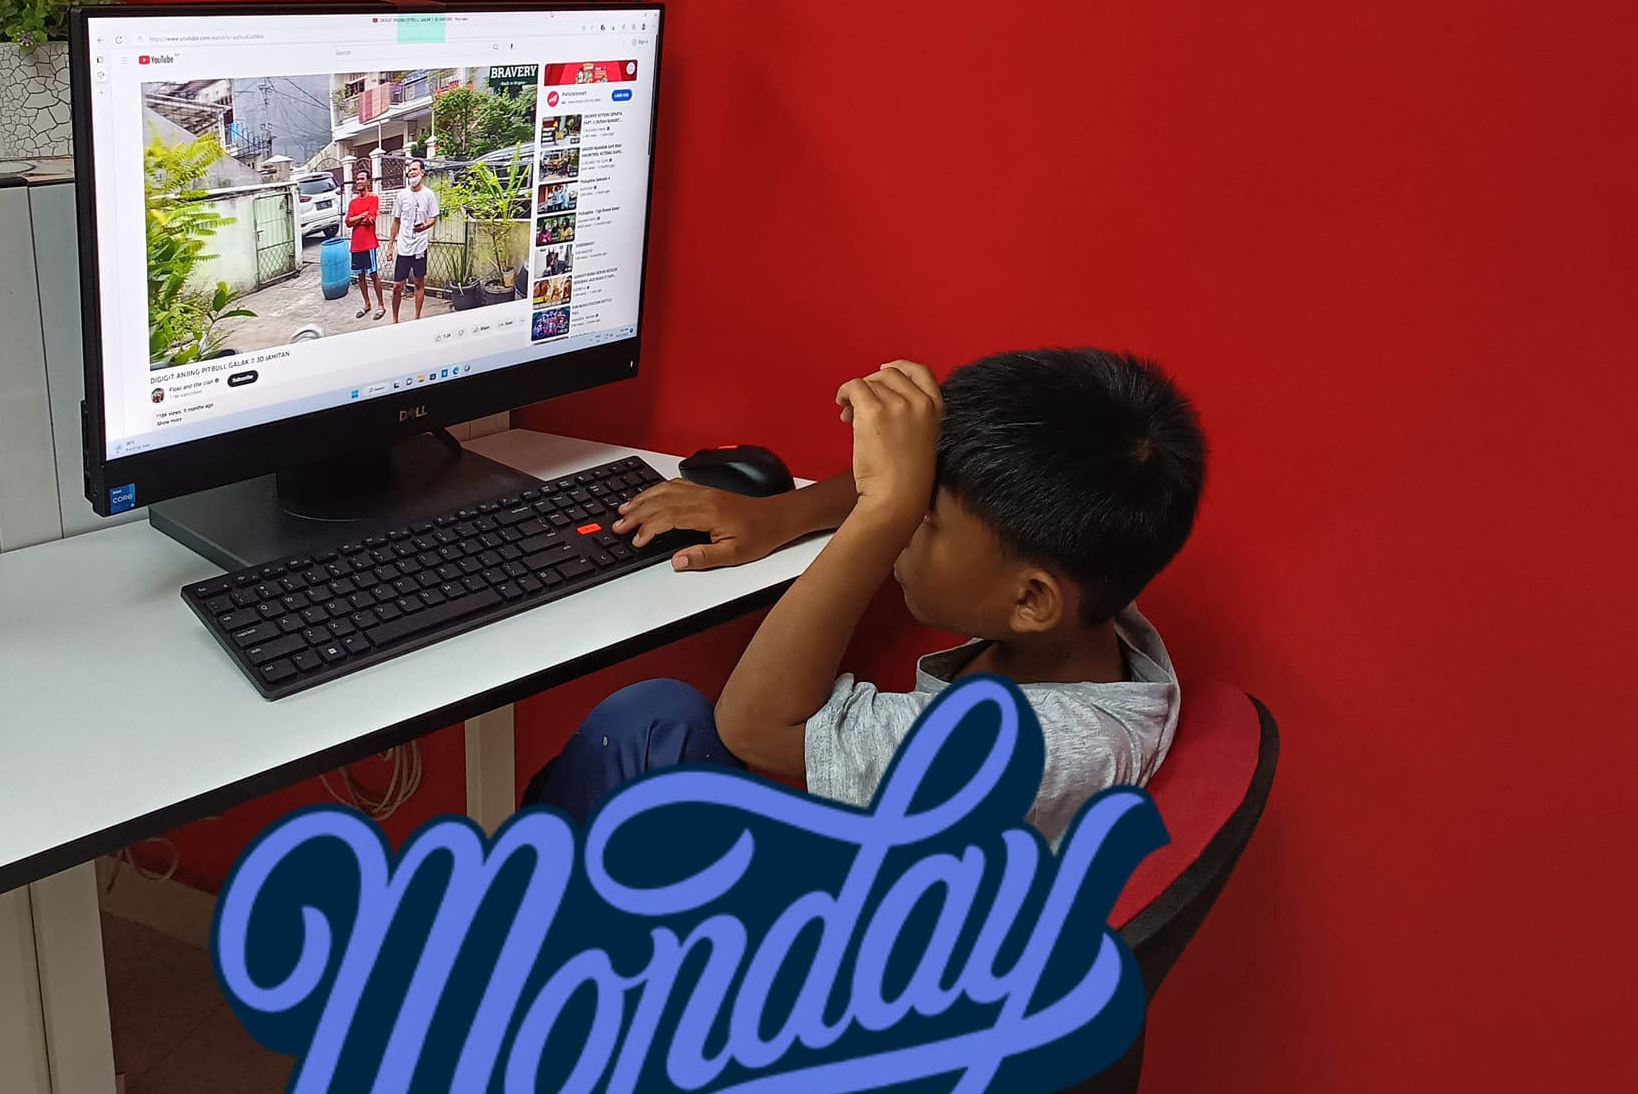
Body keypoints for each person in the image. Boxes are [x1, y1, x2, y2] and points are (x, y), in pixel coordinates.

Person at [523, 348, 1207, 845]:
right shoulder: (1088, 604)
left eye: (921, 519)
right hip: (912, 862)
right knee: (625, 750)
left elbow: (754, 728)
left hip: (879, 962)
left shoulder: (1017, 752)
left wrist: (883, 512)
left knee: (646, 728)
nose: (903, 530)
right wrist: (784, 515)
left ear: (1031, 601)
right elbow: (968, 495)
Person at [389, 160, 439, 323]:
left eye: (415, 169)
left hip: (420, 247)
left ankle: (417, 318)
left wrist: (425, 226)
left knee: (419, 283)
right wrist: (390, 246)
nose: (411, 172)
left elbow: (433, 217)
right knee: (397, 286)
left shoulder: (429, 195)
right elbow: (396, 221)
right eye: (409, 170)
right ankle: (395, 320)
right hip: (404, 248)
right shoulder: (402, 195)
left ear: (422, 172)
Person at [346, 165, 386, 321]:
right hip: (356, 245)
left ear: (368, 181)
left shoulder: (373, 198)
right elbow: (347, 222)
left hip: (369, 244)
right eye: (357, 179)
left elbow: (371, 219)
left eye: (362, 179)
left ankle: (381, 305)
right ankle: (367, 304)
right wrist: (361, 216)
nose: (359, 182)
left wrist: (357, 219)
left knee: (373, 274)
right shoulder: (353, 202)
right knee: (360, 276)